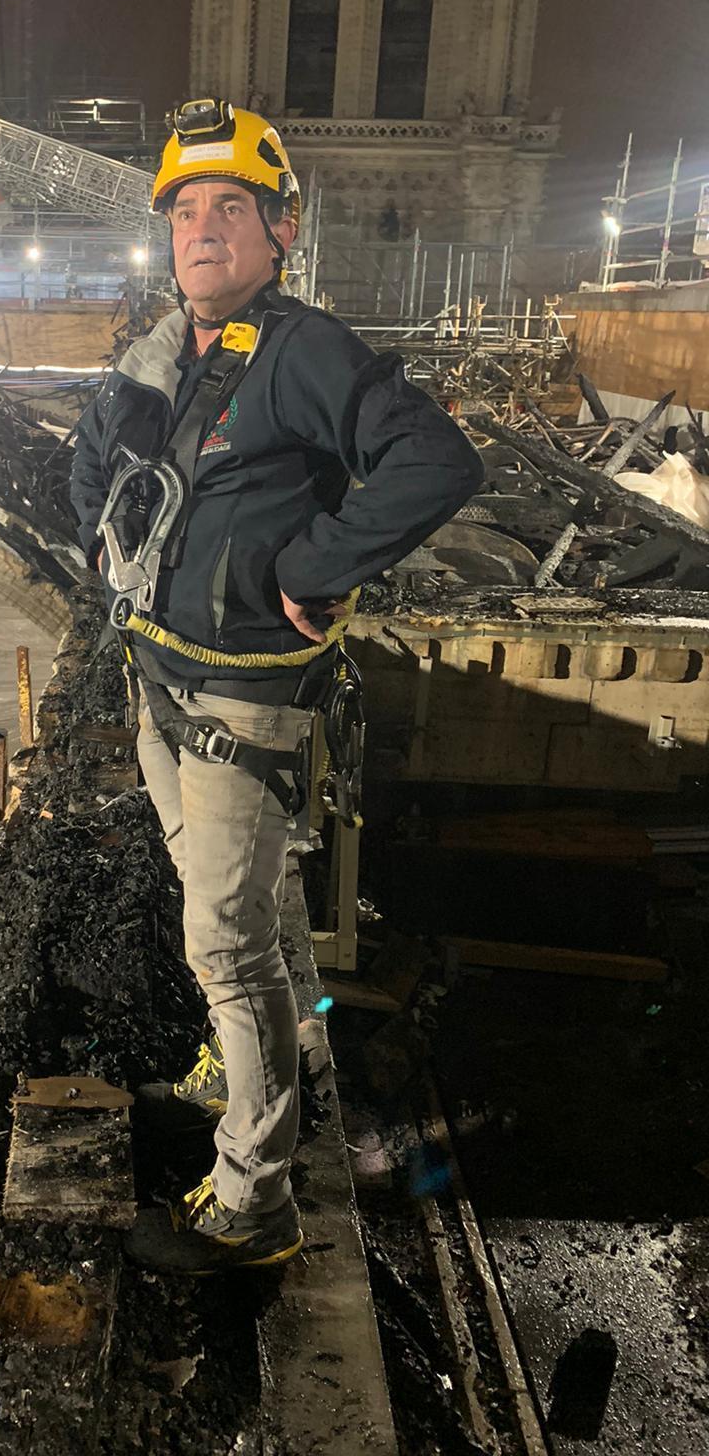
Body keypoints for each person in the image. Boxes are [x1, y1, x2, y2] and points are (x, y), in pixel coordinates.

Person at [69, 98, 484, 1273]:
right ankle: (284, 1054)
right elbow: (95, 486)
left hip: (243, 696)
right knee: (244, 906)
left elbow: (436, 458)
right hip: (161, 675)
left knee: (224, 936)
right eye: (185, 211)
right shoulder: (172, 362)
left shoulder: (301, 351)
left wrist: (319, 563)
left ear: (278, 232)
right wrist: (110, 460)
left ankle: (255, 1194)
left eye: (230, 209)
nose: (202, 229)